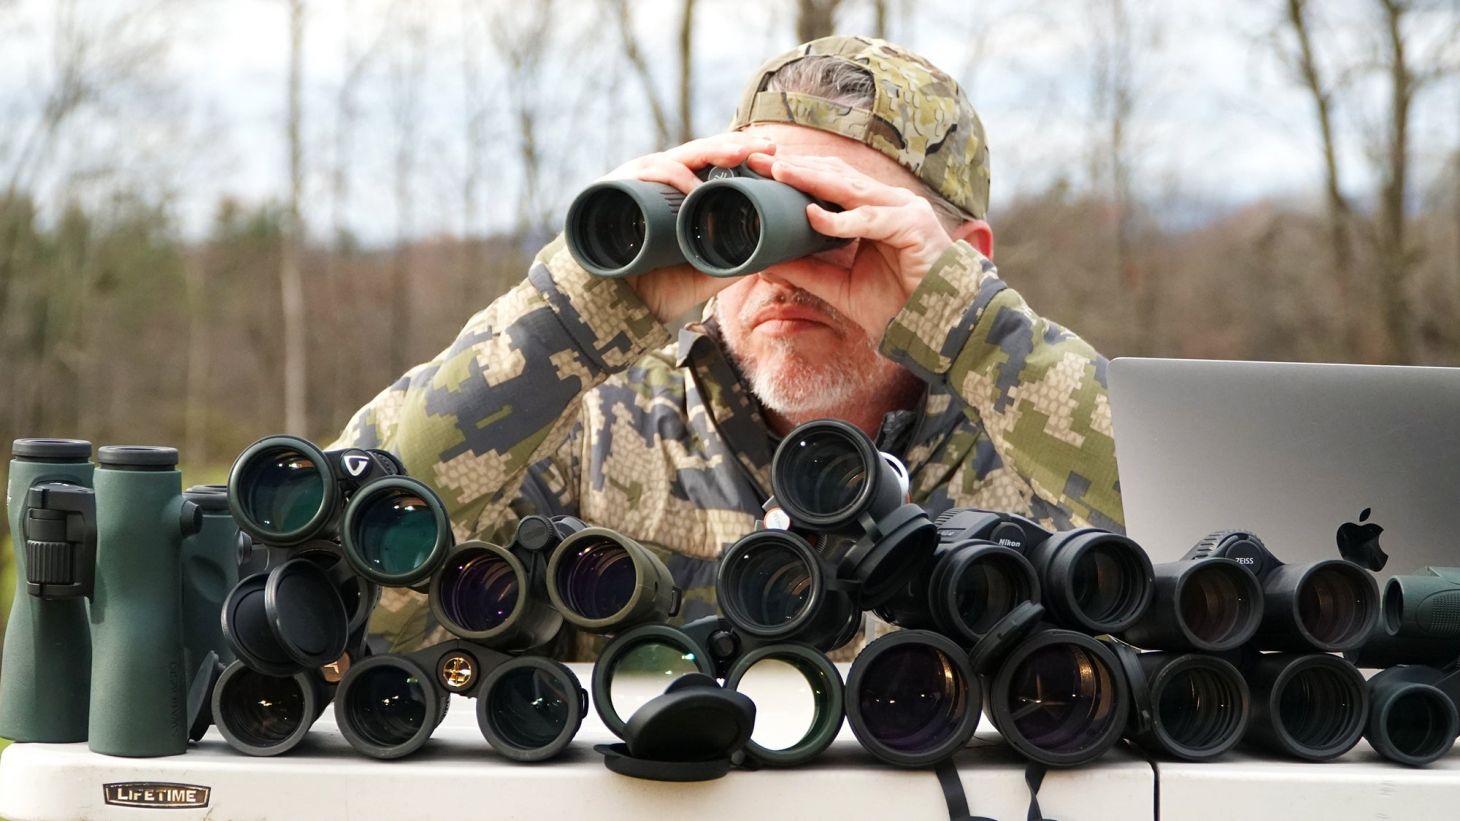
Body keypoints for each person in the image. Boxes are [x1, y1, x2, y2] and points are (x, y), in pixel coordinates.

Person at [329, 35, 1123, 656]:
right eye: (750, 219)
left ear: (966, 256)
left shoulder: (1030, 446)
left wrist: (979, 331)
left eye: (842, 221)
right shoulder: (595, 424)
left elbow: (1222, 559)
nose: (784, 270)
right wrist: (569, 317)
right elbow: (336, 578)